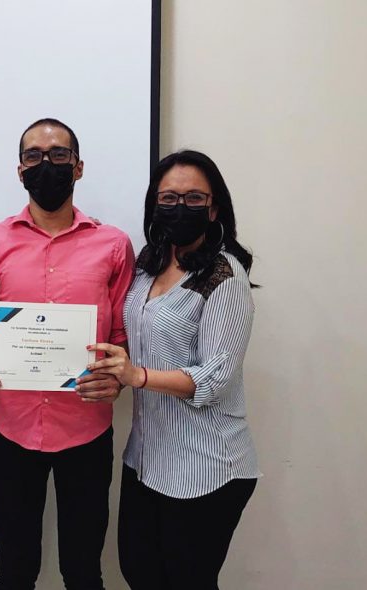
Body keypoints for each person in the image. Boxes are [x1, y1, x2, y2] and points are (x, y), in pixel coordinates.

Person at [0, 118, 135, 590]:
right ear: (20, 170)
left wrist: (115, 377)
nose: (46, 163)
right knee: (15, 572)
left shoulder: (113, 244)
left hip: (86, 425)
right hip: (11, 424)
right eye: (33, 155)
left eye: (58, 155)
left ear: (78, 167)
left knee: (83, 571)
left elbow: (121, 333)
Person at [88, 150, 261, 590]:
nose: (180, 207)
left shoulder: (225, 276)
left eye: (194, 198)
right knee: (139, 573)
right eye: (169, 198)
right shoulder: (149, 265)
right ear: (154, 204)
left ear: (214, 209)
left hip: (205, 465)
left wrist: (137, 377)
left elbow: (216, 378)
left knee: (187, 581)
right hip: (146, 458)